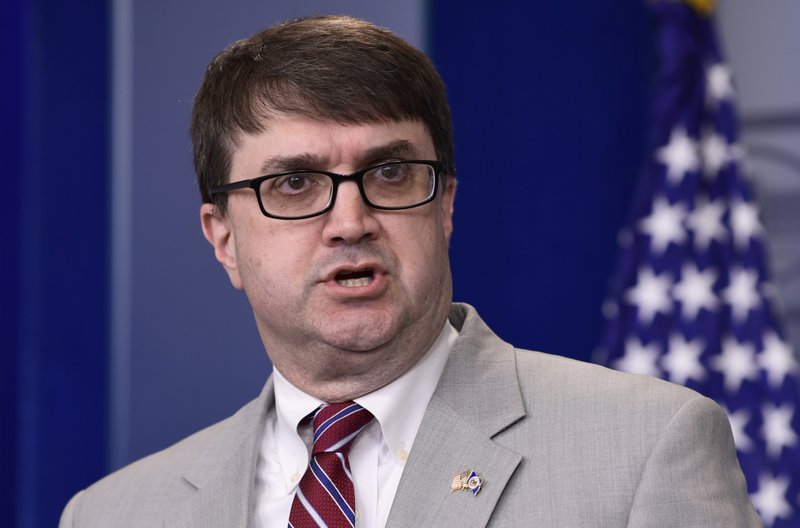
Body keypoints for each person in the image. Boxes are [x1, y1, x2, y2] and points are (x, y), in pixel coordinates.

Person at [60, 15, 760, 527]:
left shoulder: (646, 446)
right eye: (296, 183)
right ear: (224, 239)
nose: (351, 219)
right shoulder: (113, 513)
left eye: (390, 172)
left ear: (445, 205)